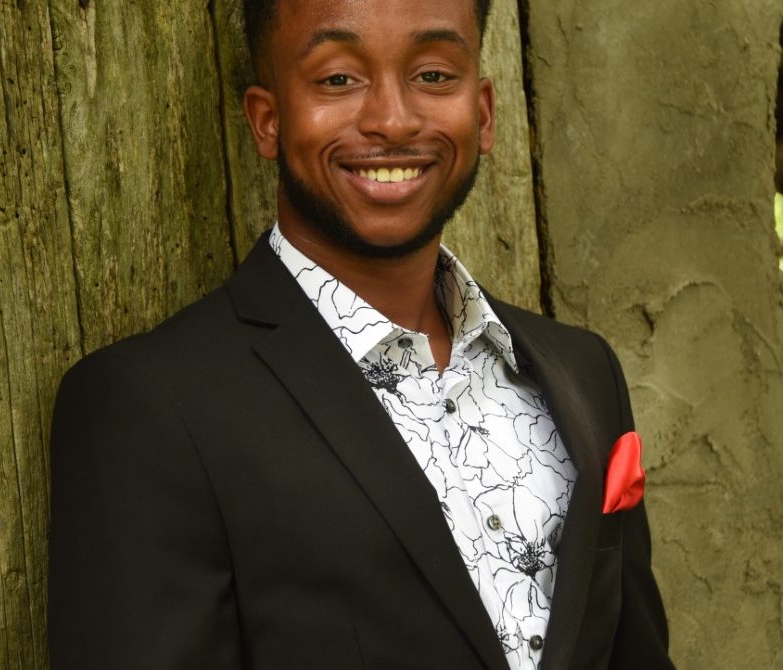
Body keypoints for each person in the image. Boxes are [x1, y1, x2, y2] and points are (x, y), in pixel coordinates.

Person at [48, 1, 675, 668]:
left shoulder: (582, 372)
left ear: (484, 111)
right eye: (338, 79)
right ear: (266, 119)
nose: (392, 120)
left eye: (433, 75)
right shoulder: (151, 406)